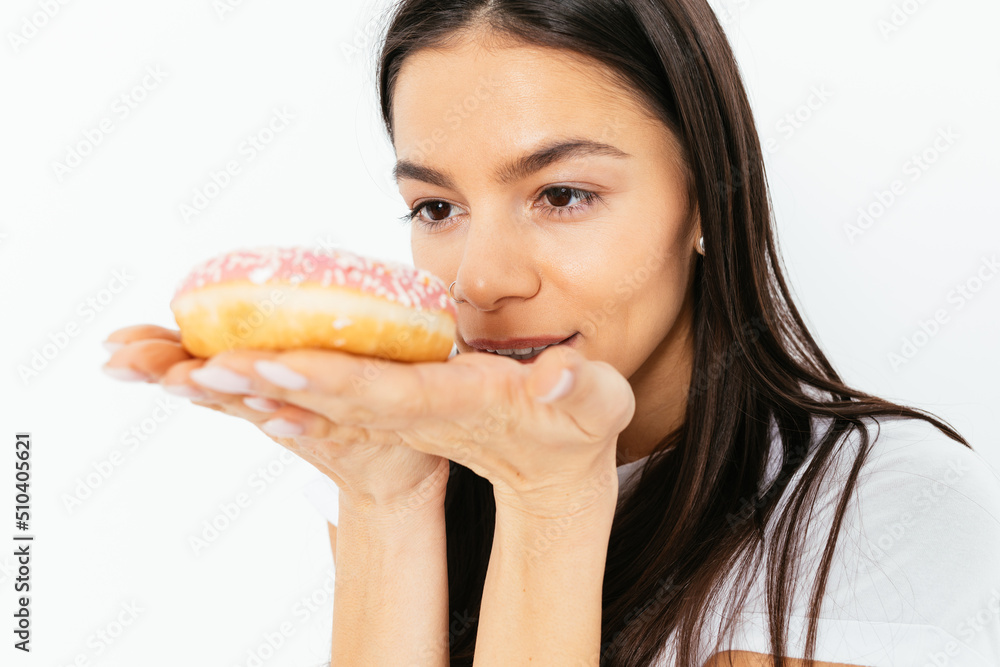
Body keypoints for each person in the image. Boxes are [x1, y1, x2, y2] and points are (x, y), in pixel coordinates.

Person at [102, 0, 1000, 665]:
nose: (482, 280)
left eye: (562, 194)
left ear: (706, 198)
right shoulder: (414, 476)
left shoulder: (882, 513)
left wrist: (554, 501)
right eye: (437, 205)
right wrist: (389, 500)